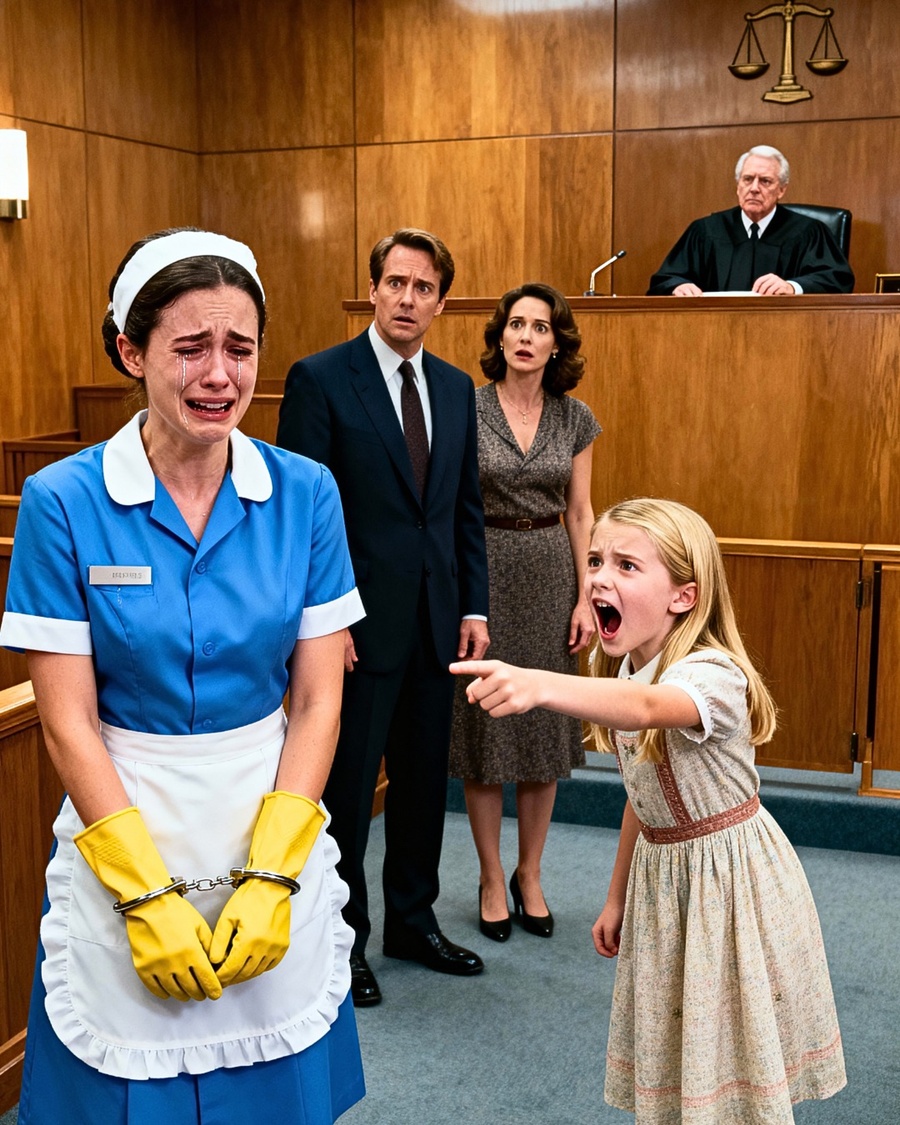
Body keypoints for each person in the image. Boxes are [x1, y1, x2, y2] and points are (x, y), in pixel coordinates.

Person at [0, 228, 366, 1124]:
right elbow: (67, 722)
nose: (220, 375)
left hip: (268, 807)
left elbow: (319, 699)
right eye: (191, 347)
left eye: (240, 348)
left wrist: (273, 877)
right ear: (132, 352)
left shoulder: (307, 493)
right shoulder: (64, 501)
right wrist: (144, 894)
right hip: (125, 814)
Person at [452, 497, 847, 1123]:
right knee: (682, 1031)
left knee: (732, 1039)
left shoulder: (713, 675)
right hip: (665, 878)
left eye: (627, 566)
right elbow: (643, 800)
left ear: (683, 597)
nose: (599, 578)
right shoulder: (631, 674)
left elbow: (644, 710)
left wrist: (539, 683)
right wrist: (616, 898)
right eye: (594, 561)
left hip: (728, 882)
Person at [276, 227, 490, 1008]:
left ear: (441, 302)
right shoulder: (321, 379)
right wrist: (323, 621)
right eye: (395, 282)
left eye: (423, 287)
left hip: (438, 621)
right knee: (345, 789)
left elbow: (463, 508)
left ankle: (412, 921)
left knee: (423, 783)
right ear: (373, 289)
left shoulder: (458, 388)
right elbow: (300, 516)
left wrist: (474, 604)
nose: (407, 298)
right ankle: (344, 936)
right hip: (354, 630)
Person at [449, 283, 600, 943]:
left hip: (549, 573)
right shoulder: (467, 406)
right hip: (482, 570)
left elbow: (581, 512)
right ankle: (490, 877)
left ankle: (529, 874)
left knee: (542, 732)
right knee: (485, 732)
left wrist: (587, 594)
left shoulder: (576, 417)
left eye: (541, 327)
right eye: (516, 324)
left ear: (556, 343)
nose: (526, 337)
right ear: (500, 335)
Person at [647, 144, 854, 296]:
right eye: (748, 179)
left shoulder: (809, 232)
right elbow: (665, 279)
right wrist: (678, 286)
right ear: (738, 185)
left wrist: (792, 287)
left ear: (782, 189)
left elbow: (837, 279)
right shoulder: (706, 231)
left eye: (765, 181)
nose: (754, 188)